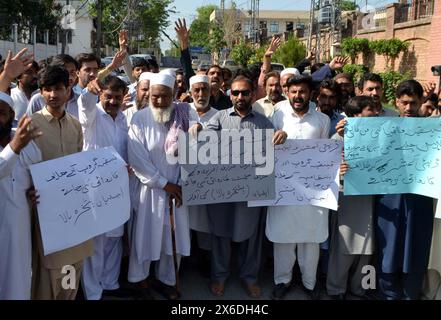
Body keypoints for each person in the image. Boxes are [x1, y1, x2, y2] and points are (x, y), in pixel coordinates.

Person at [204, 76, 281, 299]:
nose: (240, 97)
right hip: (222, 188)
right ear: (230, 95)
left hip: (252, 189)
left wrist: (280, 136)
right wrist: (196, 132)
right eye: (236, 93)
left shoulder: (264, 121)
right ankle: (219, 276)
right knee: (220, 233)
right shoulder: (218, 118)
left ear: (252, 95)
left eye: (245, 93)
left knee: (251, 236)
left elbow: (275, 146)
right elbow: (203, 145)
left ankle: (250, 278)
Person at [127, 73, 200, 299]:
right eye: (155, 96)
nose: (159, 101)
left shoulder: (185, 113)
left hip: (178, 188)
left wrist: (198, 129)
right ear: (149, 96)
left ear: (174, 96)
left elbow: (198, 144)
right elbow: (137, 158)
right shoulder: (139, 118)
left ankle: (168, 280)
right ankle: (140, 281)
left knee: (172, 239)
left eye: (165, 97)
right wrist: (163, 183)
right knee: (144, 237)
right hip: (150, 190)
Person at [30, 65, 93, 300]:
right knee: (47, 273)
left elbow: (79, 165)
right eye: (47, 89)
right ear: (41, 93)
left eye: (58, 88)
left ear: (68, 90)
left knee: (71, 266)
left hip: (73, 212)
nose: (53, 95)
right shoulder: (31, 125)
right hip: (44, 212)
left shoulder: (76, 126)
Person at [267, 75, 330, 300]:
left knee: (310, 240)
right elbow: (265, 147)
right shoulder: (277, 114)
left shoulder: (322, 120)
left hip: (311, 192)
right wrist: (275, 135)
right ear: (287, 92)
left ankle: (309, 284)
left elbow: (326, 155)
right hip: (283, 188)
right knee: (283, 238)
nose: (297, 96)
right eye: (293, 92)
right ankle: (282, 281)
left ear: (310, 94)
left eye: (302, 91)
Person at [375, 80, 434, 300]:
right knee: (388, 250)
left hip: (419, 200)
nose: (409, 108)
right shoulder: (385, 128)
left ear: (420, 102)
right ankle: (389, 295)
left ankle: (411, 294)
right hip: (388, 200)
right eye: (404, 103)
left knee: (415, 249)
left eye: (413, 103)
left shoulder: (432, 130)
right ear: (397, 103)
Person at [78, 74, 130, 300]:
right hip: (94, 188)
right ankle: (92, 292)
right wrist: (89, 91)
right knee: (96, 242)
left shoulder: (123, 118)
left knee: (114, 238)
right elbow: (85, 104)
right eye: (108, 96)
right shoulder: (93, 115)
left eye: (117, 97)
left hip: (118, 187)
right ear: (101, 94)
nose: (112, 101)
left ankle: (110, 284)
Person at [326, 96, 380, 300]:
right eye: (369, 111)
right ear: (356, 116)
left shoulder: (380, 136)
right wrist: (337, 171)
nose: (375, 114)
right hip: (347, 197)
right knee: (344, 246)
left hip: (372, 197)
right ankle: (336, 289)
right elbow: (322, 169)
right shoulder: (338, 138)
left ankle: (361, 288)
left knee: (368, 249)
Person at [0, 49, 43, 299]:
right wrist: (5, 77)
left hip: (18, 230)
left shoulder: (27, 145)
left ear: (11, 117)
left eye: (2, 113)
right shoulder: (19, 143)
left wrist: (36, 191)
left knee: (16, 283)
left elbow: (40, 177)